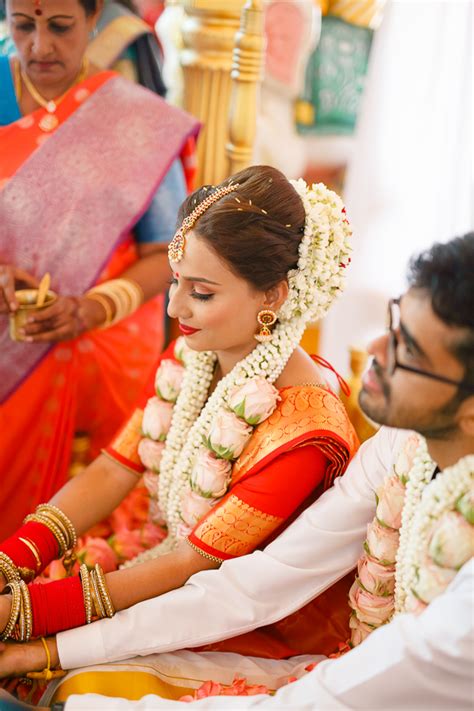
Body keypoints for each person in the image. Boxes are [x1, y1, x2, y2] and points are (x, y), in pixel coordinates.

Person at [1, 233, 471, 709]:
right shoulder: (399, 443)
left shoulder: (305, 428)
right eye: (393, 321)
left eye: (409, 349)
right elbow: (254, 584)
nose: (374, 346)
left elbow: (327, 693)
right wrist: (44, 645)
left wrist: (45, 639)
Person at [0, 165, 358, 682]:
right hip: (160, 563)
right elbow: (111, 470)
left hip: (237, 623)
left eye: (202, 293)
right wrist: (13, 561)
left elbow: (194, 564)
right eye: (175, 282)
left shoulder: (304, 430)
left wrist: (25, 613)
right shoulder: (194, 355)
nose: (174, 306)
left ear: (273, 296)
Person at [0, 0, 199, 537]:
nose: (40, 45)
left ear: (95, 21)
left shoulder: (134, 119)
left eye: (60, 26)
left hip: (100, 346)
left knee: (85, 542)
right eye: (23, 25)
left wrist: (91, 308)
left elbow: (169, 252)